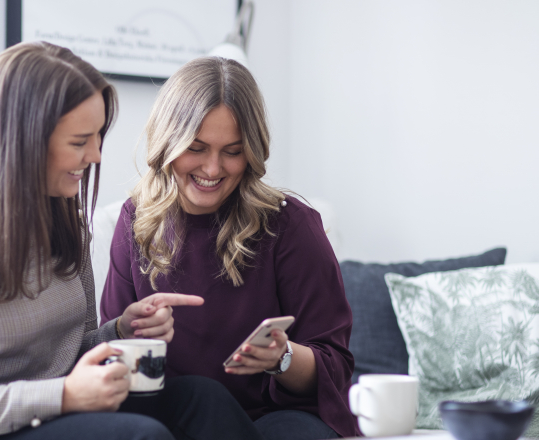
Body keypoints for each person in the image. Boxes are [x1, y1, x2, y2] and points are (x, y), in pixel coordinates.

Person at [0, 42, 264, 440]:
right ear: (23, 139)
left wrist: (120, 330)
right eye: (79, 141)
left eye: (98, 136)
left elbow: (70, 351)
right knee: (139, 435)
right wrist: (63, 395)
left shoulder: (66, 220)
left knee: (203, 399)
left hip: (50, 412)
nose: (96, 154)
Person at [100, 56, 359, 440]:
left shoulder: (290, 225)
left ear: (251, 152)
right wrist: (127, 328)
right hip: (178, 412)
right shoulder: (137, 221)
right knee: (202, 399)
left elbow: (335, 365)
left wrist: (283, 357)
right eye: (197, 147)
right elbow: (109, 353)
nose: (212, 168)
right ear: (167, 141)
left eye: (233, 151)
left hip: (276, 415)